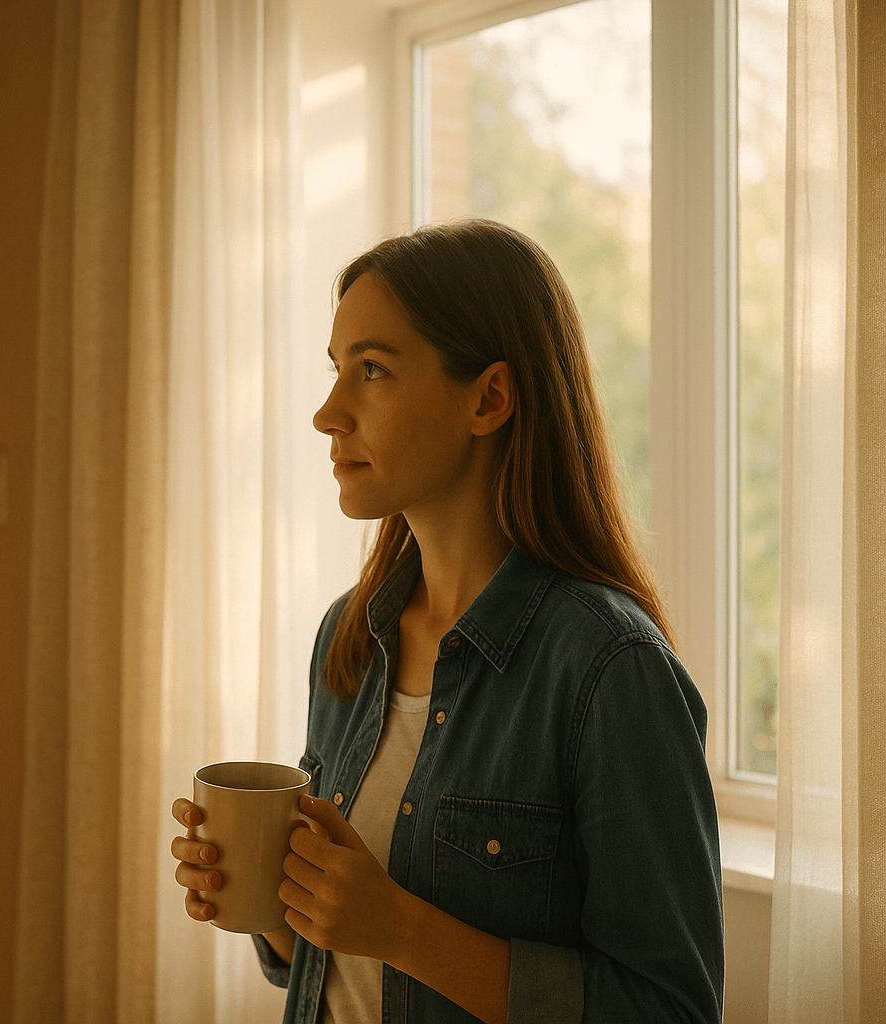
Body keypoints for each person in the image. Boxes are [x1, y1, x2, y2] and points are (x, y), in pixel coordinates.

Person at [170, 219, 724, 1023]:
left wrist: (402, 930)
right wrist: (264, 893)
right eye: (336, 370)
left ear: (489, 398)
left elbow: (671, 1009)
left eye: (372, 370)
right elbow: (326, 960)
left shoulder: (610, 669)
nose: (328, 413)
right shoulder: (350, 641)